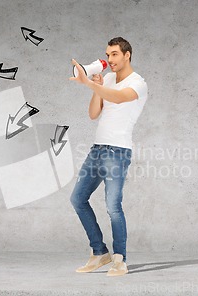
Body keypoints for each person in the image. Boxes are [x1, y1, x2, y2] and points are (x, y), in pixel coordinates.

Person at [69, 37, 148, 276]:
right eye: (107, 54)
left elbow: (118, 97)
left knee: (113, 206)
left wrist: (90, 84)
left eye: (114, 54)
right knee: (78, 199)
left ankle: (120, 259)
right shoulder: (109, 79)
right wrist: (96, 86)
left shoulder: (138, 83)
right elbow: (94, 113)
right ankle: (99, 252)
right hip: (97, 149)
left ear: (127, 55)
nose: (110, 59)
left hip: (118, 151)